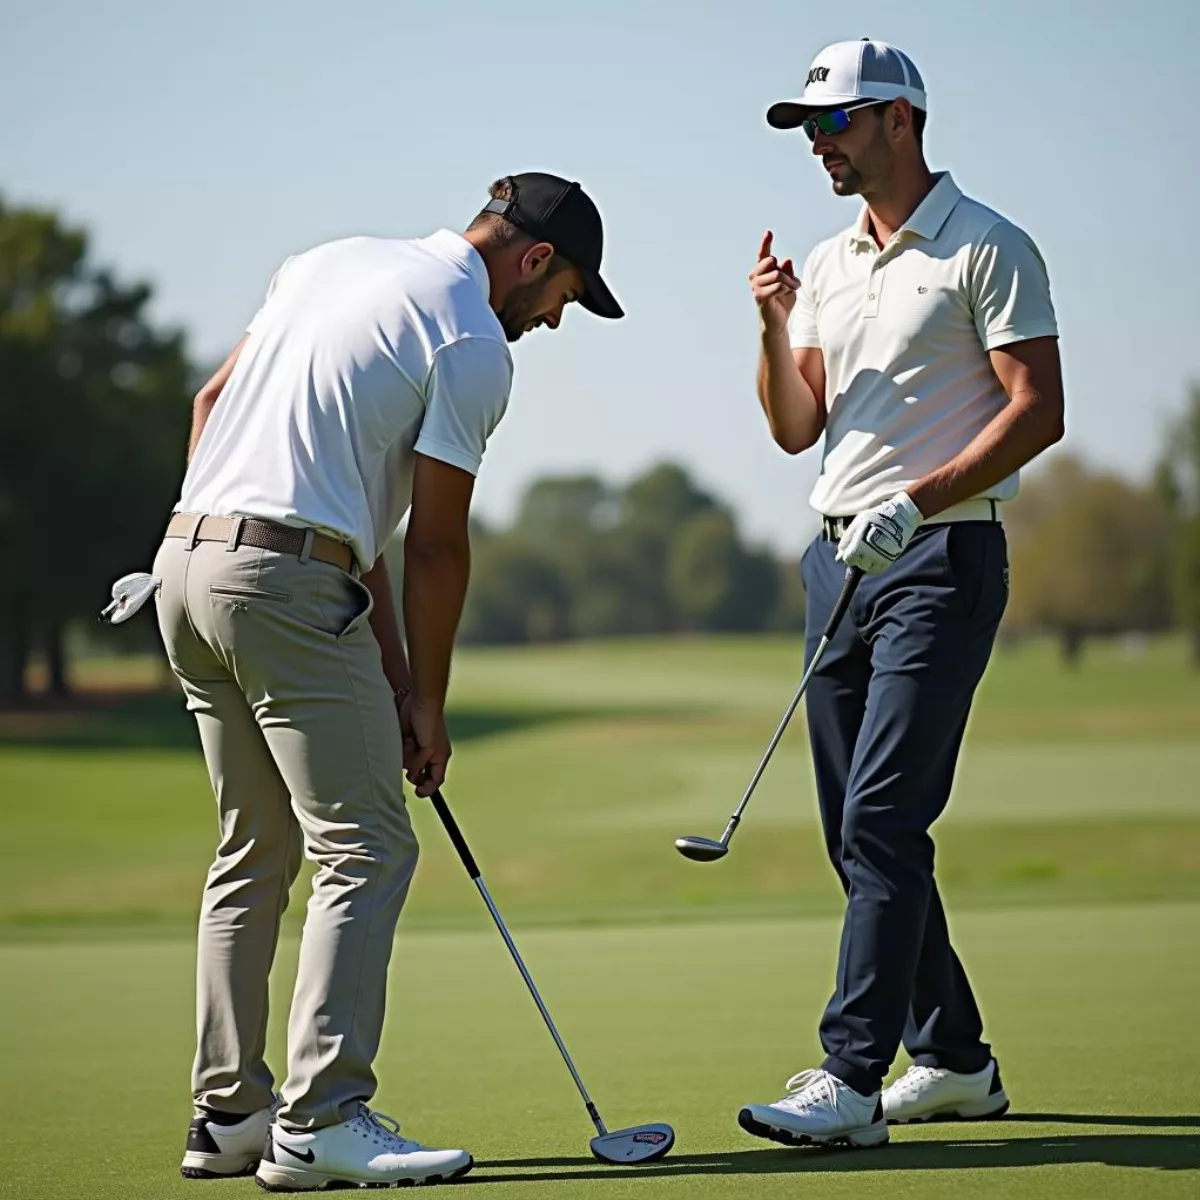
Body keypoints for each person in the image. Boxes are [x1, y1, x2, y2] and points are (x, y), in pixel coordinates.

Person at [154, 172, 622, 1190]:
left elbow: (215, 408)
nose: (554, 323)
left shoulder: (327, 262)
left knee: (255, 848)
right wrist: (435, 707)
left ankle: (229, 1115)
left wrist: (398, 681)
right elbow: (438, 550)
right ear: (535, 260)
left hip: (184, 566)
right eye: (565, 298)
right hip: (281, 583)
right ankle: (324, 1116)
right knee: (366, 847)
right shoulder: (470, 340)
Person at [738, 39, 1064, 1149]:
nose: (820, 145)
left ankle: (849, 1075)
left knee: (882, 817)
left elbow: (1037, 409)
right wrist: (774, 325)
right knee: (856, 829)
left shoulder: (989, 246)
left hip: (941, 557)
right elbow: (795, 427)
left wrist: (918, 501)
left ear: (900, 121)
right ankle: (958, 1058)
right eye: (810, 129)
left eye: (835, 124)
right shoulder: (829, 263)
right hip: (837, 563)